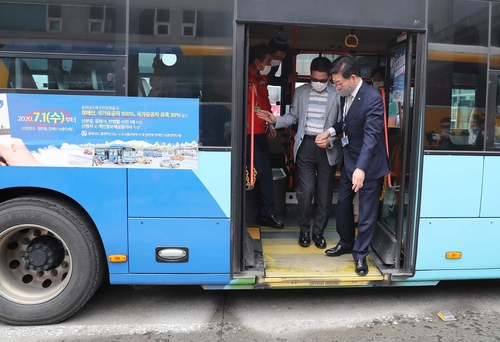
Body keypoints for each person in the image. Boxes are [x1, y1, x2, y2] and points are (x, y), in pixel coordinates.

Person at [257, 57, 341, 248]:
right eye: (315, 79)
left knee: (324, 195)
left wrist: (330, 139)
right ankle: (304, 231)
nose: (318, 83)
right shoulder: (301, 92)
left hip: (327, 147)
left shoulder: (338, 94)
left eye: (322, 80)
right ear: (310, 75)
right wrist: (275, 120)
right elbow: (294, 116)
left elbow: (342, 123)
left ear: (329, 77)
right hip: (306, 147)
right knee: (305, 192)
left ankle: (318, 233)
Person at [317, 56, 389, 276]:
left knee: (366, 214)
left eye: (339, 83)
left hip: (369, 165)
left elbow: (372, 137)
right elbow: (345, 123)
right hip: (350, 161)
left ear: (353, 78)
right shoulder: (344, 95)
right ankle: (346, 242)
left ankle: (360, 255)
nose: (336, 87)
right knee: (343, 206)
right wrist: (330, 132)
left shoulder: (373, 98)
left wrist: (361, 168)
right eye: (334, 83)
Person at [247, 45, 283, 229]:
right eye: (268, 61)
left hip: (260, 133)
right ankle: (244, 211)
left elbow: (265, 102)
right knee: (255, 171)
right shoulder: (244, 78)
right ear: (257, 62)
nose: (270, 65)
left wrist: (270, 123)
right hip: (246, 135)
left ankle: (266, 214)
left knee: (266, 173)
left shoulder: (262, 79)